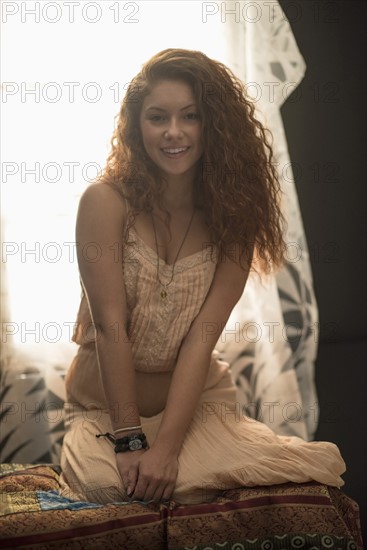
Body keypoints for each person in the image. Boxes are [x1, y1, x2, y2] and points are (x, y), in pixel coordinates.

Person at [59, 48, 345, 505]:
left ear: (213, 125)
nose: (174, 132)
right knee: (109, 489)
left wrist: (168, 451)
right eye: (158, 117)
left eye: (190, 116)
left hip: (195, 409)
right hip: (107, 414)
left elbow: (200, 340)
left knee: (300, 476)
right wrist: (131, 440)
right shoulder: (104, 202)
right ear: (138, 125)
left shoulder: (236, 217)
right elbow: (111, 326)